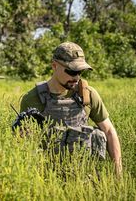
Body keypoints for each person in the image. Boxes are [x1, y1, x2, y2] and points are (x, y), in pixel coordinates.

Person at [19, 42, 122, 176]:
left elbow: (108, 131)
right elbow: (23, 144)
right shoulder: (33, 99)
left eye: (80, 72)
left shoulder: (87, 95)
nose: (76, 77)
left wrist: (118, 174)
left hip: (85, 176)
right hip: (48, 177)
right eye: (71, 71)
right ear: (55, 66)